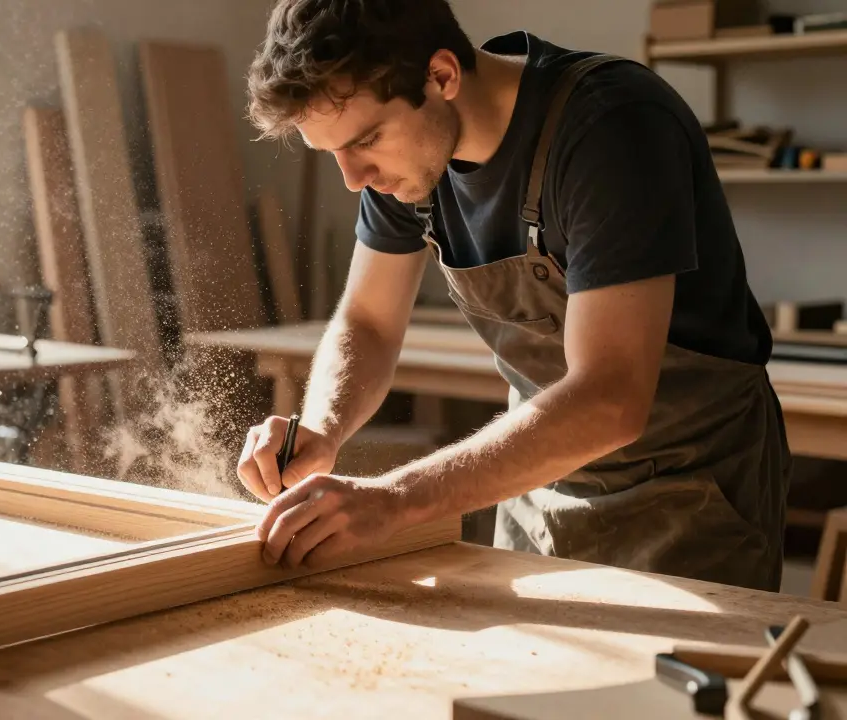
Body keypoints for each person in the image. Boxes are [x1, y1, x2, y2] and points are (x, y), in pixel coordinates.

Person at [235, 0, 790, 591]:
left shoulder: (612, 126)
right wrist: (321, 429)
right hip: (537, 482)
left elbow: (611, 397)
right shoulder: (406, 164)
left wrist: (393, 499)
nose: (354, 177)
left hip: (693, 487)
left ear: (442, 75)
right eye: (333, 152)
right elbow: (368, 321)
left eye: (366, 140)